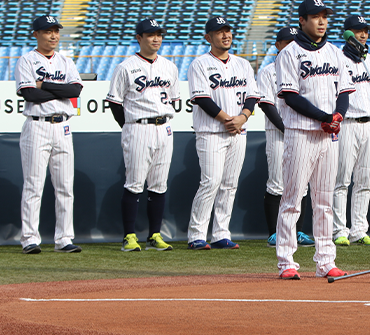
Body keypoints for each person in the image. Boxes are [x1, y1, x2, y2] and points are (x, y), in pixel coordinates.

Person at [274, 0, 353, 280]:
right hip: (300, 134)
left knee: (324, 201)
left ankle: (325, 261)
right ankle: (286, 261)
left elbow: (344, 91)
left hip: (328, 135)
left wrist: (338, 117)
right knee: (293, 199)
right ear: (302, 21)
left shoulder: (335, 53)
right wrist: (324, 117)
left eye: (325, 16)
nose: (321, 21)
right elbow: (291, 96)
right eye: (315, 16)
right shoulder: (289, 54)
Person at [106, 18, 179, 252]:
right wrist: (129, 126)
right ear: (139, 38)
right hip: (138, 127)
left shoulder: (170, 66)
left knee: (158, 185)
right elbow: (115, 103)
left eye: (159, 34)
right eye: (150, 35)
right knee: (135, 184)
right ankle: (129, 236)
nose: (156, 38)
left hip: (164, 127)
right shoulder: (125, 66)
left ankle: (154, 235)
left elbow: (174, 100)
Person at [187, 16, 259, 250]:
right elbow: (201, 98)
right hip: (211, 132)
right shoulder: (199, 64)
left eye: (228, 30)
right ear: (208, 37)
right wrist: (229, 119)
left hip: (239, 130)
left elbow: (252, 96)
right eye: (219, 32)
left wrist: (243, 117)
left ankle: (220, 233)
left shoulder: (242, 64)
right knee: (210, 182)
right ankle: (196, 234)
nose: (226, 35)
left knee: (229, 184)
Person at [16, 15, 82, 254]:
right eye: (47, 31)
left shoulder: (65, 61)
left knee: (65, 186)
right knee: (34, 185)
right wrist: (59, 93)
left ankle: (64, 239)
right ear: (36, 34)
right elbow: (29, 94)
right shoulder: (27, 60)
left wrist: (43, 85)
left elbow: (75, 90)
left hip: (63, 126)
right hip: (37, 125)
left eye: (55, 31)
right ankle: (30, 239)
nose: (53, 35)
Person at [257, 26, 314, 248]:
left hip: (302, 131)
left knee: (302, 185)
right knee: (277, 183)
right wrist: (286, 128)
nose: (291, 45)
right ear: (278, 45)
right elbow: (266, 104)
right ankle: (274, 232)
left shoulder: (304, 69)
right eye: (286, 41)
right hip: (278, 133)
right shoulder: (268, 71)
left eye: (295, 41)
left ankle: (298, 231)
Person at [332, 15, 370, 246]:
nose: (362, 35)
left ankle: (359, 230)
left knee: (364, 180)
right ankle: (339, 230)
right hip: (348, 123)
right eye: (357, 31)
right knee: (342, 179)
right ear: (347, 33)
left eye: (365, 31)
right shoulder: (338, 59)